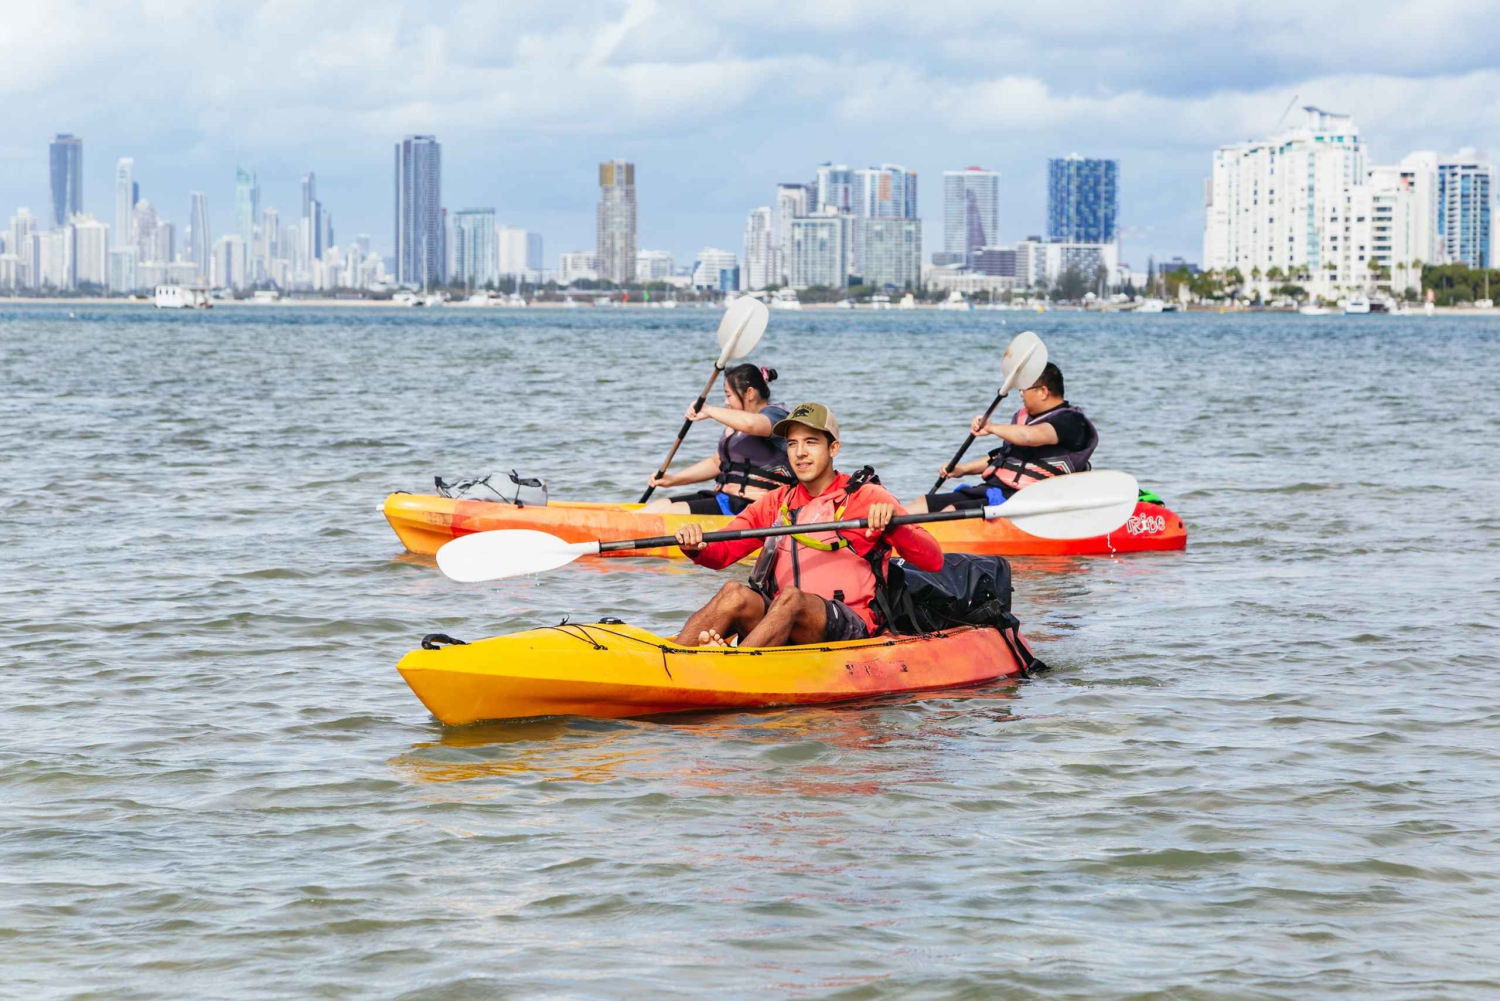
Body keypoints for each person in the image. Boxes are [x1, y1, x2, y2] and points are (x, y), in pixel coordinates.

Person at [673, 402, 944, 648]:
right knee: (733, 593)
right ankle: (675, 661)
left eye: (811, 442)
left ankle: (732, 667)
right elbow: (720, 553)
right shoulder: (776, 502)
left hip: (850, 623)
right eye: (792, 444)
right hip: (782, 618)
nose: (800, 453)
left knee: (792, 598)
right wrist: (695, 545)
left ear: (833, 448)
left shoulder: (869, 497)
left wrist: (894, 526)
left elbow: (933, 561)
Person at [911, 362, 1098, 513]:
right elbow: (1001, 458)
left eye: (1023, 389)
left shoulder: (1070, 421)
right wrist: (962, 469)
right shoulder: (1025, 419)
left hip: (1023, 499)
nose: (1021, 395)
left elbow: (1030, 437)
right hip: (993, 489)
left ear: (1043, 392)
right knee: (922, 504)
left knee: (950, 512)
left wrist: (992, 427)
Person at [642, 364, 794, 515]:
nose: (726, 402)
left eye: (729, 395)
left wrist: (709, 410)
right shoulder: (734, 424)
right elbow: (716, 463)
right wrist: (673, 480)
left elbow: (752, 424)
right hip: (725, 499)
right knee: (658, 506)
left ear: (749, 393)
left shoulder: (777, 415)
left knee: (672, 512)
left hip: (755, 507)